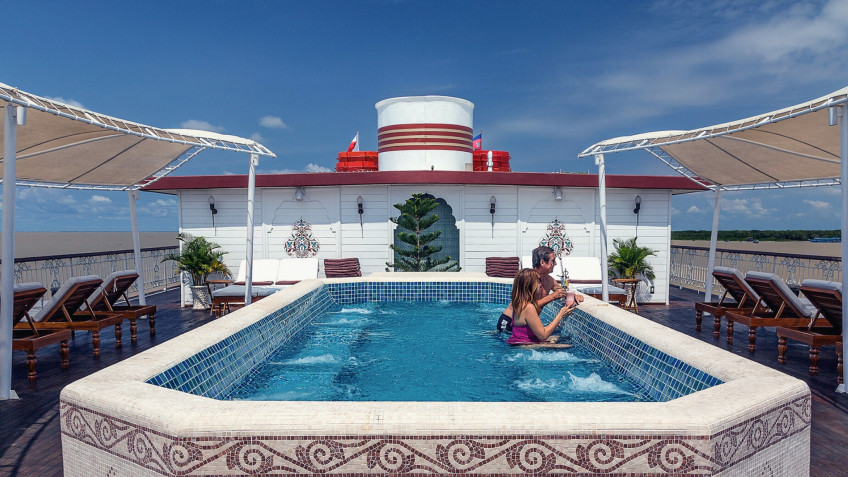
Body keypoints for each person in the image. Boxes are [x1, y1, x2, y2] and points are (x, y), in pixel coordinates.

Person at [496, 246, 582, 331]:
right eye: (553, 260)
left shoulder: (550, 280)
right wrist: (552, 297)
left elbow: (562, 292)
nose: (555, 263)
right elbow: (525, 307)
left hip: (527, 324)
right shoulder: (528, 279)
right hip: (509, 322)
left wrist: (573, 296)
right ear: (542, 262)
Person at [506, 268, 575, 344]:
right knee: (569, 346)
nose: (541, 284)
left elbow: (534, 332)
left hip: (519, 344)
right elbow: (543, 335)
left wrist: (554, 325)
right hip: (525, 347)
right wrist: (561, 314)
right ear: (530, 285)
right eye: (538, 281)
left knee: (559, 339)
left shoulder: (519, 303)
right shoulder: (528, 307)